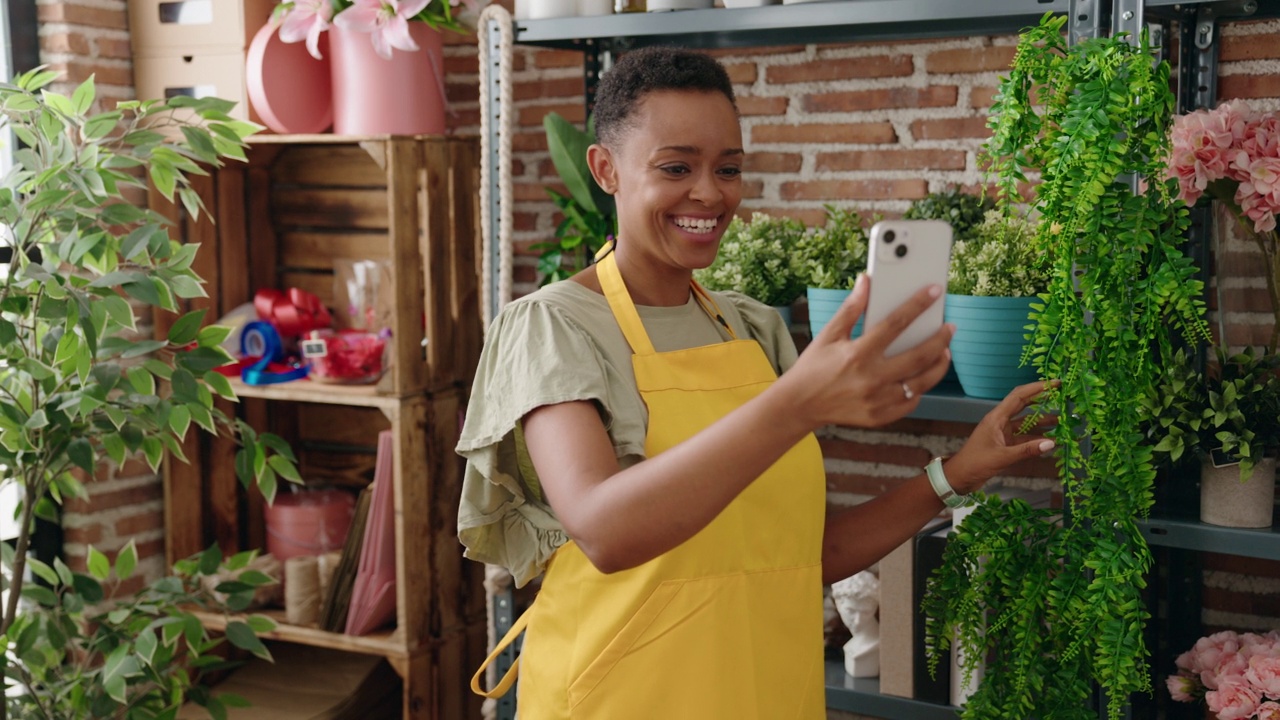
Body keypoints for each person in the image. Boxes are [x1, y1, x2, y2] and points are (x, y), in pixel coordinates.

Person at [456, 46, 1055, 719]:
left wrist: (956, 473)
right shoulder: (552, 326)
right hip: (621, 697)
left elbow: (802, 555)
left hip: (767, 692)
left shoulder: (750, 327)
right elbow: (605, 530)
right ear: (606, 170)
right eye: (677, 167)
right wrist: (794, 403)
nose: (710, 193)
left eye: (728, 168)